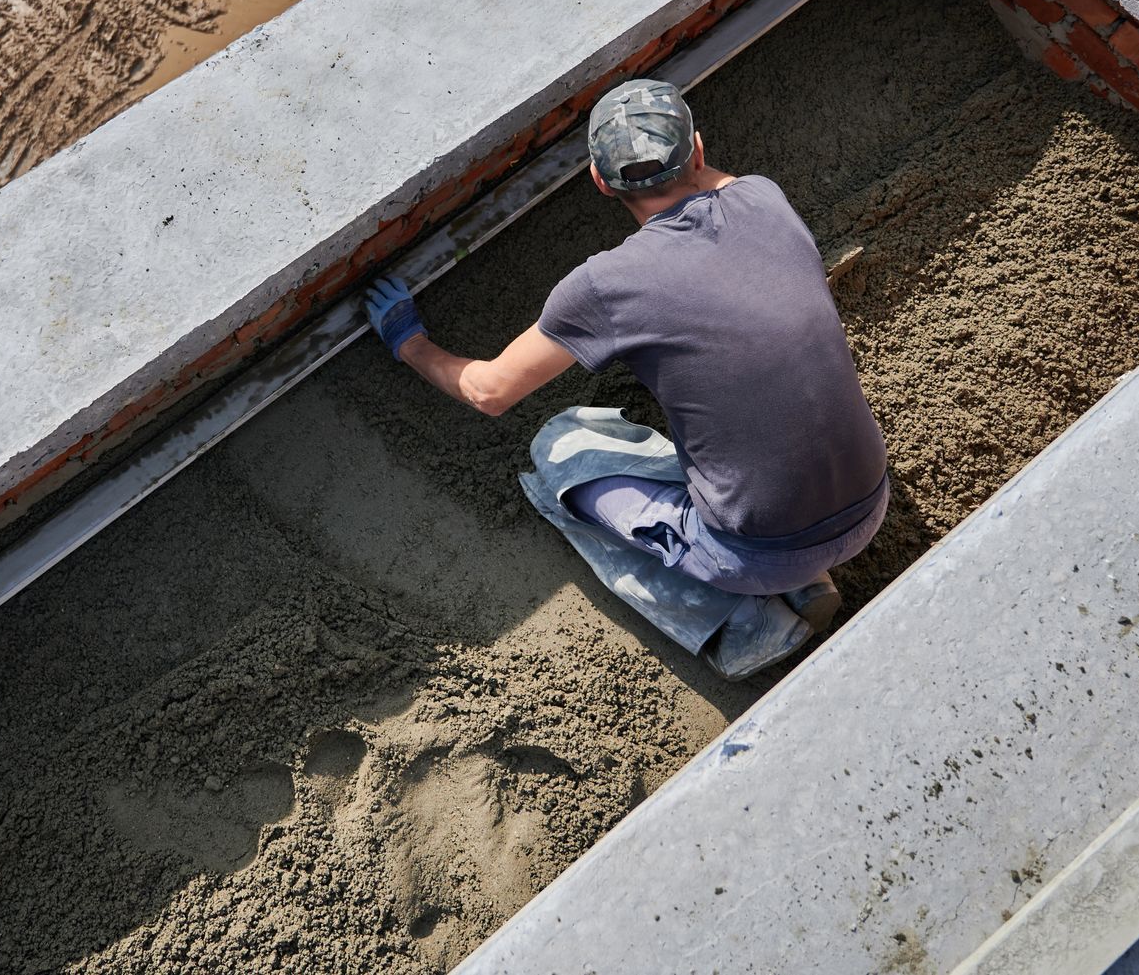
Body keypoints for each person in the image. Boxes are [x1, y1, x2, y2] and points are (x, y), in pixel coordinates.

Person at [362, 79, 889, 681]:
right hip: (870, 501)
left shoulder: (606, 286)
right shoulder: (764, 197)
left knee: (560, 451)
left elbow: (489, 390)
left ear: (599, 182)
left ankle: (744, 623)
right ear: (697, 149)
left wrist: (410, 342)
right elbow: (716, 185)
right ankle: (805, 577)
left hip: (759, 551)